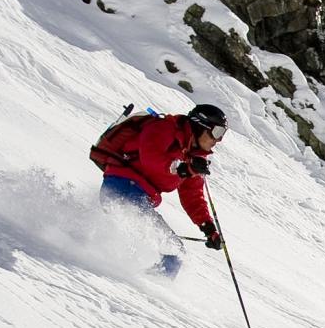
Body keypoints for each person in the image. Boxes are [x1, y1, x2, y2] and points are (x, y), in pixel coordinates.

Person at [95, 103, 229, 276]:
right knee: (174, 253)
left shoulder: (193, 158)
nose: (218, 140)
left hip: (136, 199)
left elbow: (192, 196)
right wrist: (184, 168)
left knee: (171, 252)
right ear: (200, 125)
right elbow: (151, 156)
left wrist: (209, 228)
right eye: (217, 132)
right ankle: (143, 288)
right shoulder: (164, 127)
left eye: (222, 134)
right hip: (123, 189)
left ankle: (125, 277)